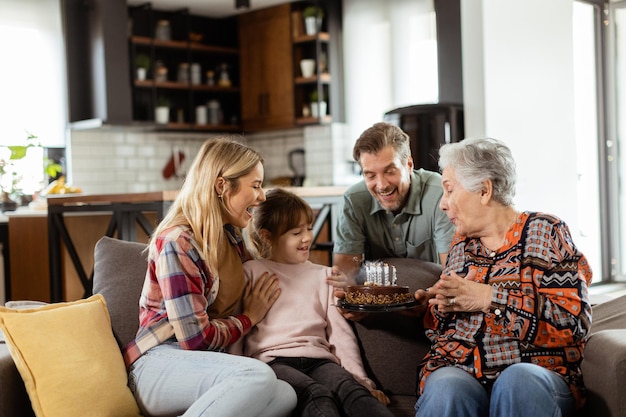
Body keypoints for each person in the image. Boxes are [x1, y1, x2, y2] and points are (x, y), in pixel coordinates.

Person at [413, 137, 593, 417]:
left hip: (534, 374)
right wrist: (432, 306)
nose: (442, 205)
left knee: (517, 382)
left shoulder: (545, 232)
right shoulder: (461, 245)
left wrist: (488, 298)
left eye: (449, 191)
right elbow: (444, 328)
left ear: (484, 191)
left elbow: (573, 322)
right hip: (463, 372)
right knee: (446, 387)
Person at [122, 138, 297, 417]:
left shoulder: (231, 237)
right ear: (221, 186)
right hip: (158, 363)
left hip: (208, 366)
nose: (262, 196)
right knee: (257, 376)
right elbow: (195, 339)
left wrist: (321, 277)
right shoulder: (178, 243)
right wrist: (249, 318)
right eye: (255, 185)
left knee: (285, 394)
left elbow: (263, 282)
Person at [243, 187, 395, 417]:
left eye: (309, 229)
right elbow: (239, 328)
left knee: (351, 390)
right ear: (267, 235)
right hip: (274, 362)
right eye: (295, 233)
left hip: (320, 360)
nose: (307, 238)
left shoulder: (325, 275)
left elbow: (340, 335)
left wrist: (362, 380)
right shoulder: (251, 272)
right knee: (316, 394)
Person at [332, 122, 455, 283]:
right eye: (370, 176)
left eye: (390, 172)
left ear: (409, 165)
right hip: (375, 301)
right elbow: (345, 276)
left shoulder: (440, 194)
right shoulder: (353, 201)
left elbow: (453, 273)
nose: (382, 185)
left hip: (432, 298)